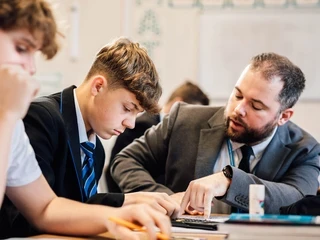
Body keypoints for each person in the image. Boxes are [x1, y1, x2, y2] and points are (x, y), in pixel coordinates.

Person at [0, 1, 171, 239]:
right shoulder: (36, 117)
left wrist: (117, 216)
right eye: (21, 48)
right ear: (98, 86)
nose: (30, 68)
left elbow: (45, 208)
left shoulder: (13, 124)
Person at [109, 52, 320, 218]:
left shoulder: (305, 149)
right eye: (237, 95)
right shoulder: (184, 119)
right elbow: (125, 160)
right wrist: (164, 199)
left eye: (256, 106)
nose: (238, 109)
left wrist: (229, 182)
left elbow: (297, 196)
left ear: (283, 116)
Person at [107, 81, 209, 192]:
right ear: (178, 104)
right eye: (192, 116)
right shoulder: (141, 126)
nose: (193, 124)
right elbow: (122, 170)